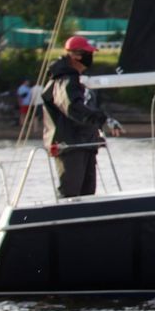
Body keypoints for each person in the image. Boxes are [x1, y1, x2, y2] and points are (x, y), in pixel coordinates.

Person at [38, 35, 123, 199]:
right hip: (70, 145)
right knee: (71, 194)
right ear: (75, 55)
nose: (91, 57)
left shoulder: (78, 79)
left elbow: (89, 106)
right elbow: (73, 108)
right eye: (88, 53)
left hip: (86, 143)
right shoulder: (65, 79)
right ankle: (62, 222)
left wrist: (103, 120)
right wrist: (102, 120)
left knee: (87, 194)